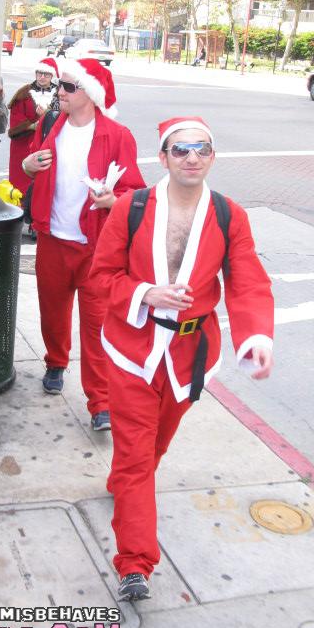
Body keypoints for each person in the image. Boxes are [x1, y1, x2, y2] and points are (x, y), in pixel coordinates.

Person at [90, 116, 274, 602]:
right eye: (180, 149)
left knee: (154, 447)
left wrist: (256, 336)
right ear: (164, 157)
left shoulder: (229, 215)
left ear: (213, 157)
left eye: (202, 149)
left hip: (190, 355)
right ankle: (135, 562)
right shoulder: (131, 208)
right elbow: (101, 278)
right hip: (133, 350)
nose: (191, 157)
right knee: (135, 454)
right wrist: (146, 293)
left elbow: (248, 281)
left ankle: (125, 485)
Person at [22, 58, 144, 432]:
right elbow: (26, 170)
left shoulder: (117, 135)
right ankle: (56, 361)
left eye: (68, 87)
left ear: (89, 94)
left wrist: (115, 201)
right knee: (53, 312)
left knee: (97, 327)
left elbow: (135, 191)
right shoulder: (50, 125)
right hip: (53, 239)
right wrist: (28, 166)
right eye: (60, 84)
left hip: (98, 248)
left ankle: (101, 403)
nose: (59, 91)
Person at [7, 58, 59, 195]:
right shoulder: (23, 93)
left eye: (46, 74)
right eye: (39, 73)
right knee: (22, 186)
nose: (42, 77)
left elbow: (67, 115)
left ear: (52, 75)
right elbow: (15, 121)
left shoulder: (60, 93)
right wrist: (34, 125)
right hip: (25, 145)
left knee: (48, 184)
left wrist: (47, 115)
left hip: (51, 145)